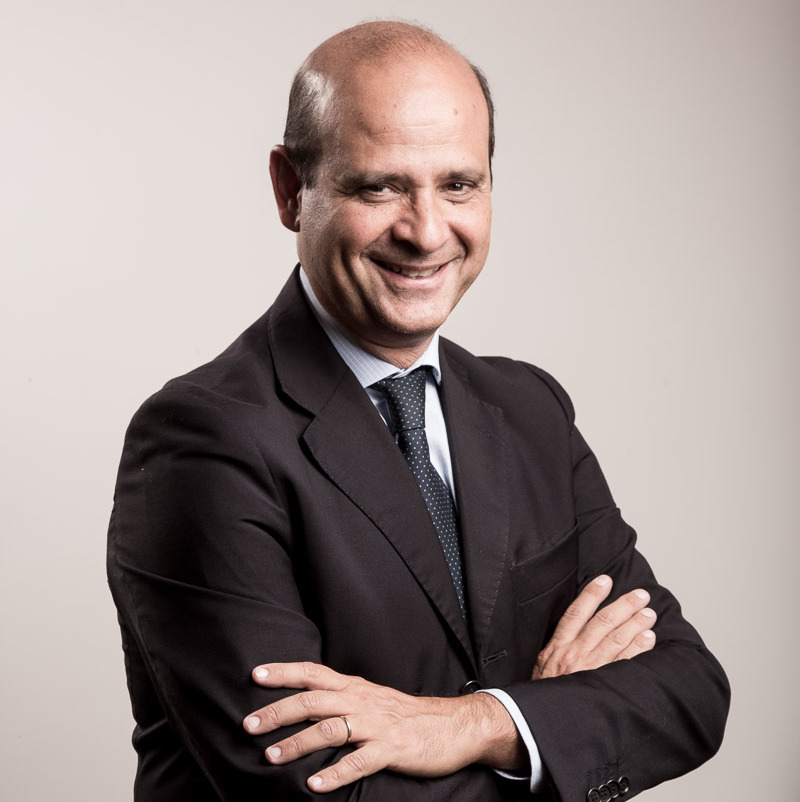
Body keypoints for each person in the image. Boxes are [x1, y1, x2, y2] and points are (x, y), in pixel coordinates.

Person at [107, 20, 729, 801]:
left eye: (458, 185)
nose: (427, 232)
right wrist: (555, 726)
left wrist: (477, 722)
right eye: (380, 187)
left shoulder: (531, 411)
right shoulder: (202, 442)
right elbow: (311, 792)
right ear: (291, 189)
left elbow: (690, 691)